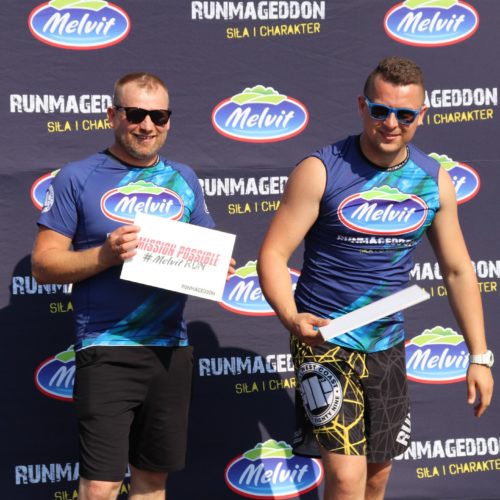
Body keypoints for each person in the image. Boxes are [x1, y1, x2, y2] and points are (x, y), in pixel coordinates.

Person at [257, 57, 494, 500]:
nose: (391, 123)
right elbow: (272, 253)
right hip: (324, 340)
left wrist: (479, 357)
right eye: (380, 110)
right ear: (362, 106)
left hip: (387, 340)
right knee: (346, 478)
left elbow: (458, 269)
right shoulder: (321, 169)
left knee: (376, 477)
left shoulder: (432, 180)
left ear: (421, 116)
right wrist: (291, 316)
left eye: (404, 114)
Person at [31, 72, 227, 499]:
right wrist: (105, 255)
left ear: (169, 120)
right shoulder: (77, 177)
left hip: (170, 349)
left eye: (159, 116)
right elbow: (43, 265)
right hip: (107, 348)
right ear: (112, 116)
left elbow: (207, 249)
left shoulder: (184, 177)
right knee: (100, 487)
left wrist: (216, 265)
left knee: (152, 482)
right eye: (136, 114)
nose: (147, 125)